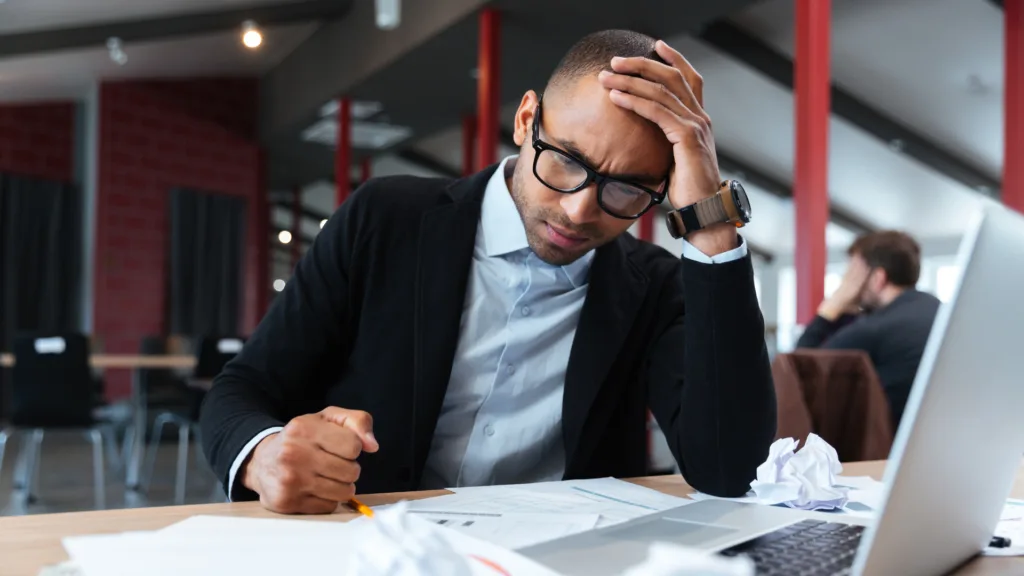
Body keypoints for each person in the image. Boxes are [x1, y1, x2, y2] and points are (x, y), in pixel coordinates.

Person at [200, 30, 776, 514]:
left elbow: (730, 469)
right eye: (567, 161)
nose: (579, 210)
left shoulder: (654, 285)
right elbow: (241, 390)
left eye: (626, 190)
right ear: (527, 120)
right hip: (375, 544)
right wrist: (264, 454)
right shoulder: (387, 220)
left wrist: (710, 223)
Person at [796, 231, 940, 429]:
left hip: (888, 448)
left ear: (878, 278)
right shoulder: (936, 308)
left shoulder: (875, 328)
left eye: (852, 275)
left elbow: (798, 372)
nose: (847, 282)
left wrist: (832, 307)